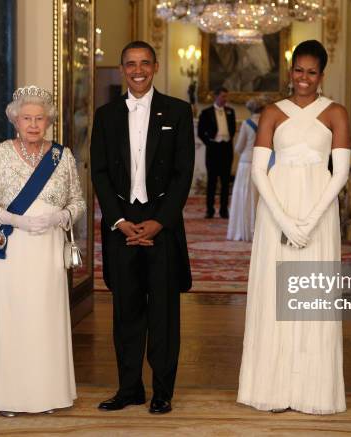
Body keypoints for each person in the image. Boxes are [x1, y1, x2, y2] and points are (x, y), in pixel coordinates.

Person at [237, 40, 351, 414]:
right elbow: (257, 171)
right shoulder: (272, 112)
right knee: (275, 295)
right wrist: (286, 221)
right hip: (277, 211)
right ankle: (271, 387)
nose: (304, 78)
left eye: (312, 72)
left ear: (322, 74)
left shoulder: (335, 112)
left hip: (319, 214)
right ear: (290, 71)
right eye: (298, 70)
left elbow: (340, 174)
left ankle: (312, 391)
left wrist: (310, 221)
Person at [90, 41, 194, 415]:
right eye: (131, 64)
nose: (138, 70)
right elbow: (99, 172)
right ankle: (129, 388)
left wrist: (158, 222)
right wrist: (119, 221)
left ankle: (162, 392)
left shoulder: (179, 112)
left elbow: (184, 173)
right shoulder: (105, 115)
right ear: (122, 69)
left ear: (155, 66)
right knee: (126, 312)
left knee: (164, 314)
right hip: (121, 225)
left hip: (162, 225)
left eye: (144, 63)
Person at [0, 85, 86, 416]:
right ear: (15, 121)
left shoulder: (61, 156)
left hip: (48, 247)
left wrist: (62, 215)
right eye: (26, 118)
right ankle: (8, 396)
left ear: (48, 121)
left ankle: (48, 395)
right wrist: (10, 219)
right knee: (13, 319)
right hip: (12, 247)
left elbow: (77, 200)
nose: (33, 124)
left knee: (44, 319)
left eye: (39, 118)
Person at [226, 96, 267, 242]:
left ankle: (243, 230)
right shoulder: (267, 122)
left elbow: (239, 147)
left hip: (246, 163)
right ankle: (259, 230)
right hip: (262, 163)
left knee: (244, 197)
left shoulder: (246, 123)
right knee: (259, 197)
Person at [197, 86, 236, 218]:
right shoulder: (206, 112)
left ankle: (224, 210)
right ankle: (210, 210)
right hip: (213, 150)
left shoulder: (231, 111)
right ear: (216, 96)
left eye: (226, 96)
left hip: (226, 149)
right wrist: (210, 143)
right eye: (223, 96)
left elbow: (233, 129)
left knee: (225, 182)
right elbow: (200, 132)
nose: (225, 99)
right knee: (212, 182)